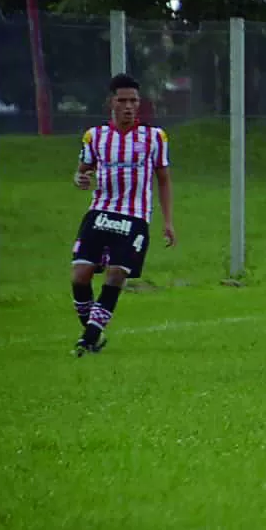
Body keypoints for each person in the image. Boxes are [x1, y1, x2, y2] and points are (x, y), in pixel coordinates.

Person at [70, 74, 176, 356]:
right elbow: (82, 172)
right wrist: (79, 179)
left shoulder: (155, 137)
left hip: (135, 217)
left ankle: (89, 338)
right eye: (123, 100)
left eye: (134, 101)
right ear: (111, 103)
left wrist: (167, 222)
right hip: (100, 212)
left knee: (117, 274)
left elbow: (163, 179)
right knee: (80, 276)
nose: (129, 106)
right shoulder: (94, 136)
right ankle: (93, 330)